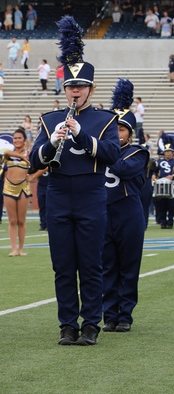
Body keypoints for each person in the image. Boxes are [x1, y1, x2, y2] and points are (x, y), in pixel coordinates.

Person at [30, 17, 121, 346]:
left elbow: (111, 154)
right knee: (63, 265)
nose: (76, 90)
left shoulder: (105, 119)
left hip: (91, 194)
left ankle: (91, 324)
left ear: (91, 88)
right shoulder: (50, 119)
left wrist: (82, 135)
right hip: (58, 194)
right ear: (65, 88)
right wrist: (52, 141)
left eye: (81, 86)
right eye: (71, 86)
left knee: (90, 263)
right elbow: (31, 163)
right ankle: (67, 324)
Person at [102, 79, 150, 333]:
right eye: (112, 129)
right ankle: (109, 314)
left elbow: (122, 168)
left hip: (129, 214)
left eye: (121, 130)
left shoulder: (138, 153)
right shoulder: (99, 150)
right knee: (107, 266)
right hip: (103, 213)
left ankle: (125, 315)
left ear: (130, 134)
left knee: (128, 267)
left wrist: (104, 148)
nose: (116, 134)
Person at [3, 128, 37, 257]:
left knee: (21, 221)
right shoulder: (9, 153)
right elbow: (6, 153)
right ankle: (14, 249)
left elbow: (43, 166)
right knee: (12, 221)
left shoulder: (30, 153)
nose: (17, 140)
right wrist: (22, 157)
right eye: (15, 138)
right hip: (9, 188)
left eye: (19, 138)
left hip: (23, 187)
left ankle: (21, 249)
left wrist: (32, 177)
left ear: (24, 139)